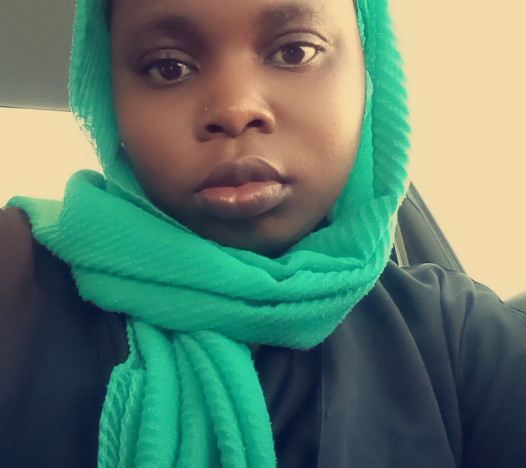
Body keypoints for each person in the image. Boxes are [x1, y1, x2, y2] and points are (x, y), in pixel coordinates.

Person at [1, 0, 525, 466]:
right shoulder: (17, 275)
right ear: (109, 98)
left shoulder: (462, 339)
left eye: (295, 52)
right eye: (168, 67)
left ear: (368, 72)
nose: (236, 109)